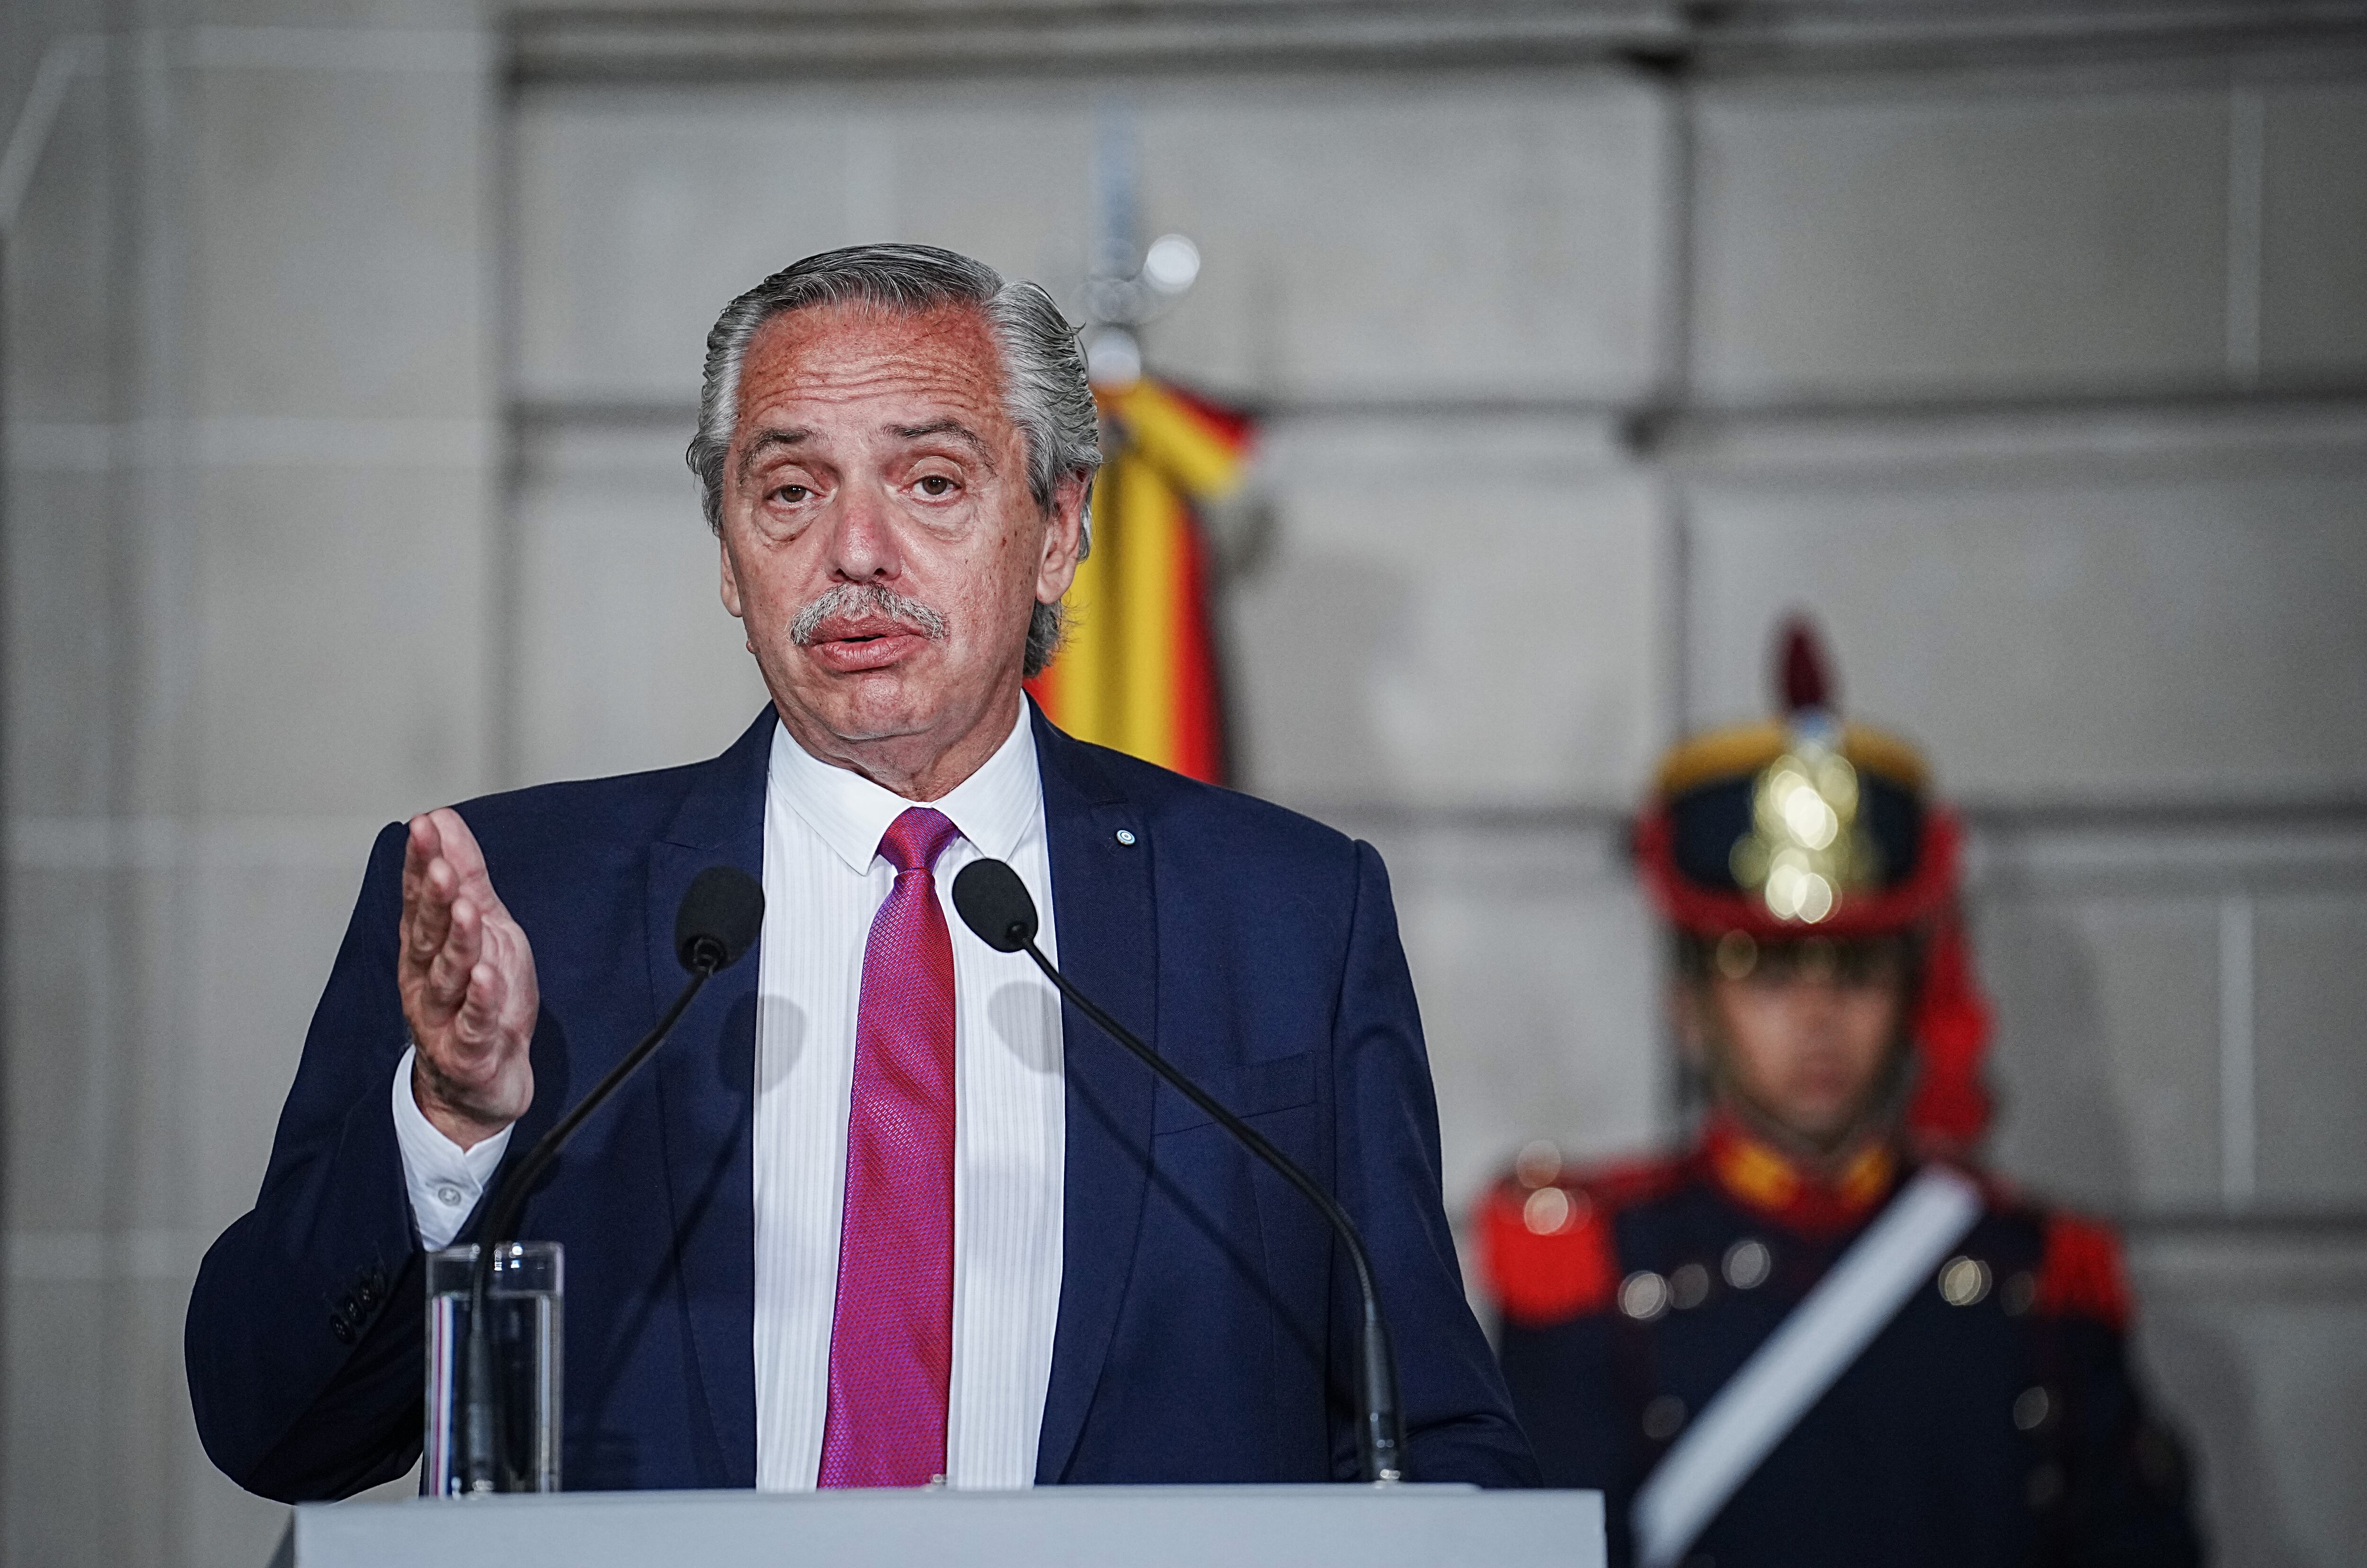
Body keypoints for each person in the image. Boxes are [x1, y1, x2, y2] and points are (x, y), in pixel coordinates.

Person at [187, 244, 1535, 1498]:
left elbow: (1431, 1433)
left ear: (1060, 526)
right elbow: (279, 1428)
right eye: (789, 490)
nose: (855, 552)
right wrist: (450, 1119)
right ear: (729, 551)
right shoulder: (516, 903)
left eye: (932, 482)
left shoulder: (1288, 917)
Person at [1474, 622, 2199, 1568]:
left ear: (1911, 992)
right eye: (1767, 972)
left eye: (1854, 969)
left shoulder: (2039, 1282)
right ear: (1689, 1006)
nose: (1817, 1016)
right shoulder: (1598, 1274)